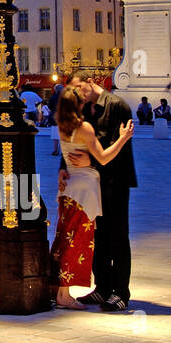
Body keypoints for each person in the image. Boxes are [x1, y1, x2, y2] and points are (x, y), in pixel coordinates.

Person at [50, 88, 134, 310]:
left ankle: (62, 288)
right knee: (82, 239)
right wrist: (123, 138)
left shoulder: (64, 127)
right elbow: (103, 157)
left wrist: (65, 166)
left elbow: (69, 153)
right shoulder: (84, 126)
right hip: (87, 188)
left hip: (72, 190)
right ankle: (97, 289)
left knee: (68, 235)